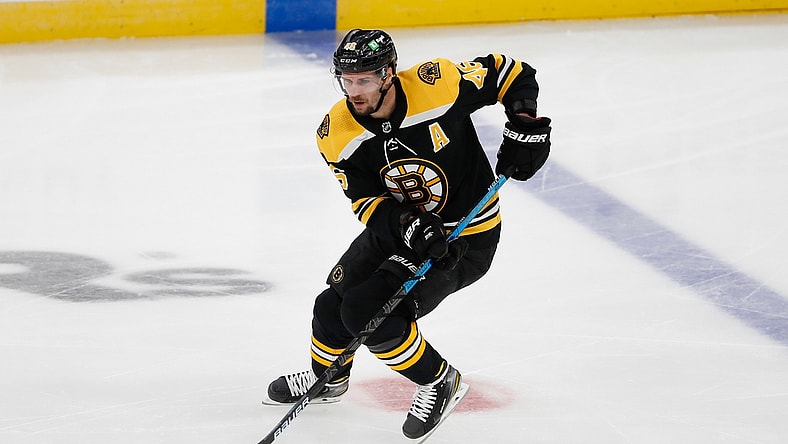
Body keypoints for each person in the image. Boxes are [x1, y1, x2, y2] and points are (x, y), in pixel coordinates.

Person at [265, 28, 551, 439]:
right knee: (331, 304)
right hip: (402, 230)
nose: (354, 91)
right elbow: (364, 200)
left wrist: (525, 120)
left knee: (369, 313)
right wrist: (406, 225)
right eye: (347, 80)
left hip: (463, 237)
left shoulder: (438, 85)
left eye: (364, 79)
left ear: (388, 74)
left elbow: (511, 72)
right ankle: (329, 379)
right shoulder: (338, 133)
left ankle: (439, 381)